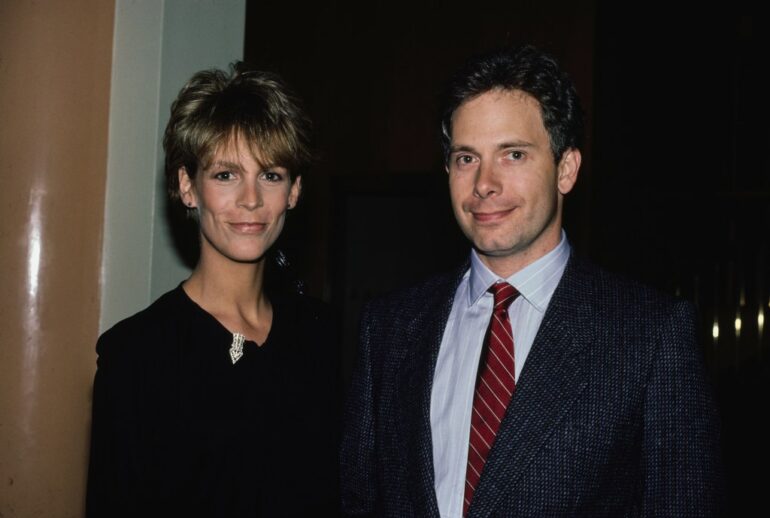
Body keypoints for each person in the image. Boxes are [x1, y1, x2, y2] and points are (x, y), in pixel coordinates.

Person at [340, 45, 723, 517]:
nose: (484, 183)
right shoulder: (389, 329)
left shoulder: (649, 334)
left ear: (566, 169)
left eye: (513, 154)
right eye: (465, 158)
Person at [87, 64, 338, 517]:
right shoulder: (138, 355)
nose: (251, 199)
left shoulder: (326, 338)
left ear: (295, 191)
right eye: (226, 175)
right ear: (187, 186)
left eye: (271, 174)